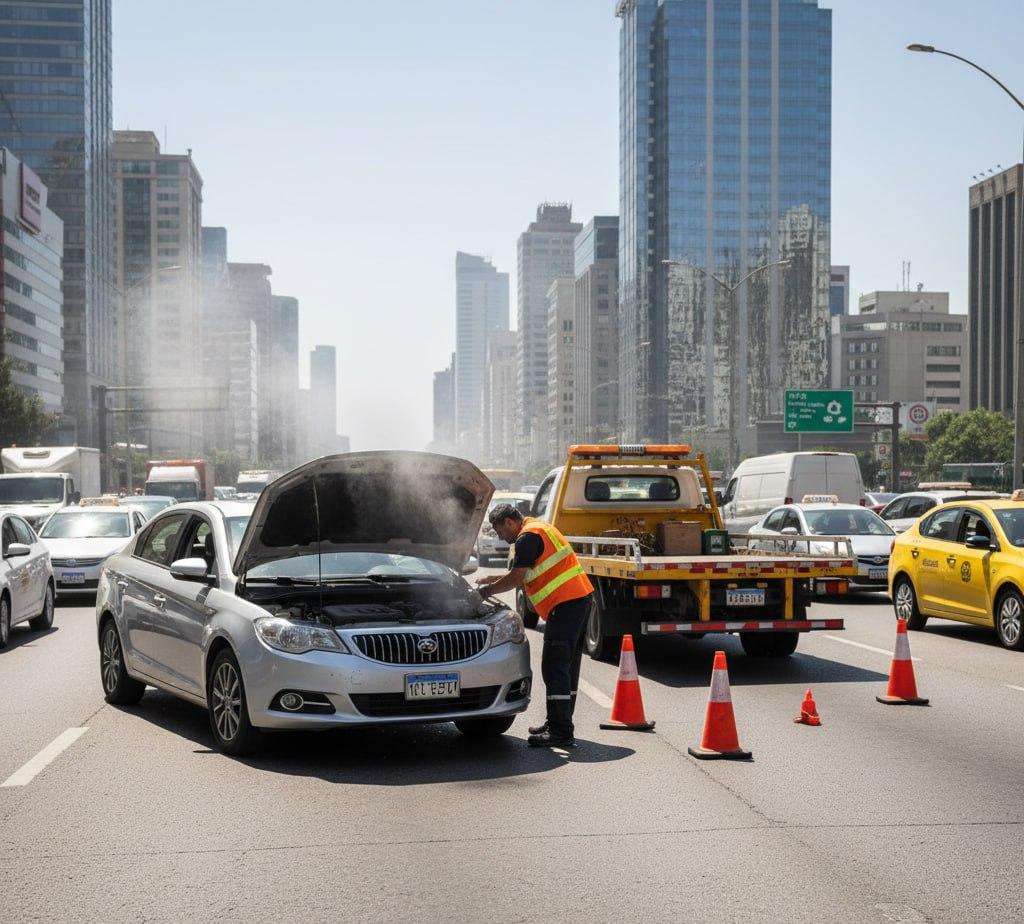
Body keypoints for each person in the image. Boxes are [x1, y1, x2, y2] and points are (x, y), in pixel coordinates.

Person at [476, 503, 594, 748]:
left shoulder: (527, 537)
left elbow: (517, 578)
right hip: (576, 600)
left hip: (566, 603)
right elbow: (526, 571)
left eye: (500, 532)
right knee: (566, 667)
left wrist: (486, 590)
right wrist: (493, 578)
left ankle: (561, 731)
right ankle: (558, 722)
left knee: (554, 666)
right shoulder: (538, 528)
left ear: (509, 522)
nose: (501, 537)